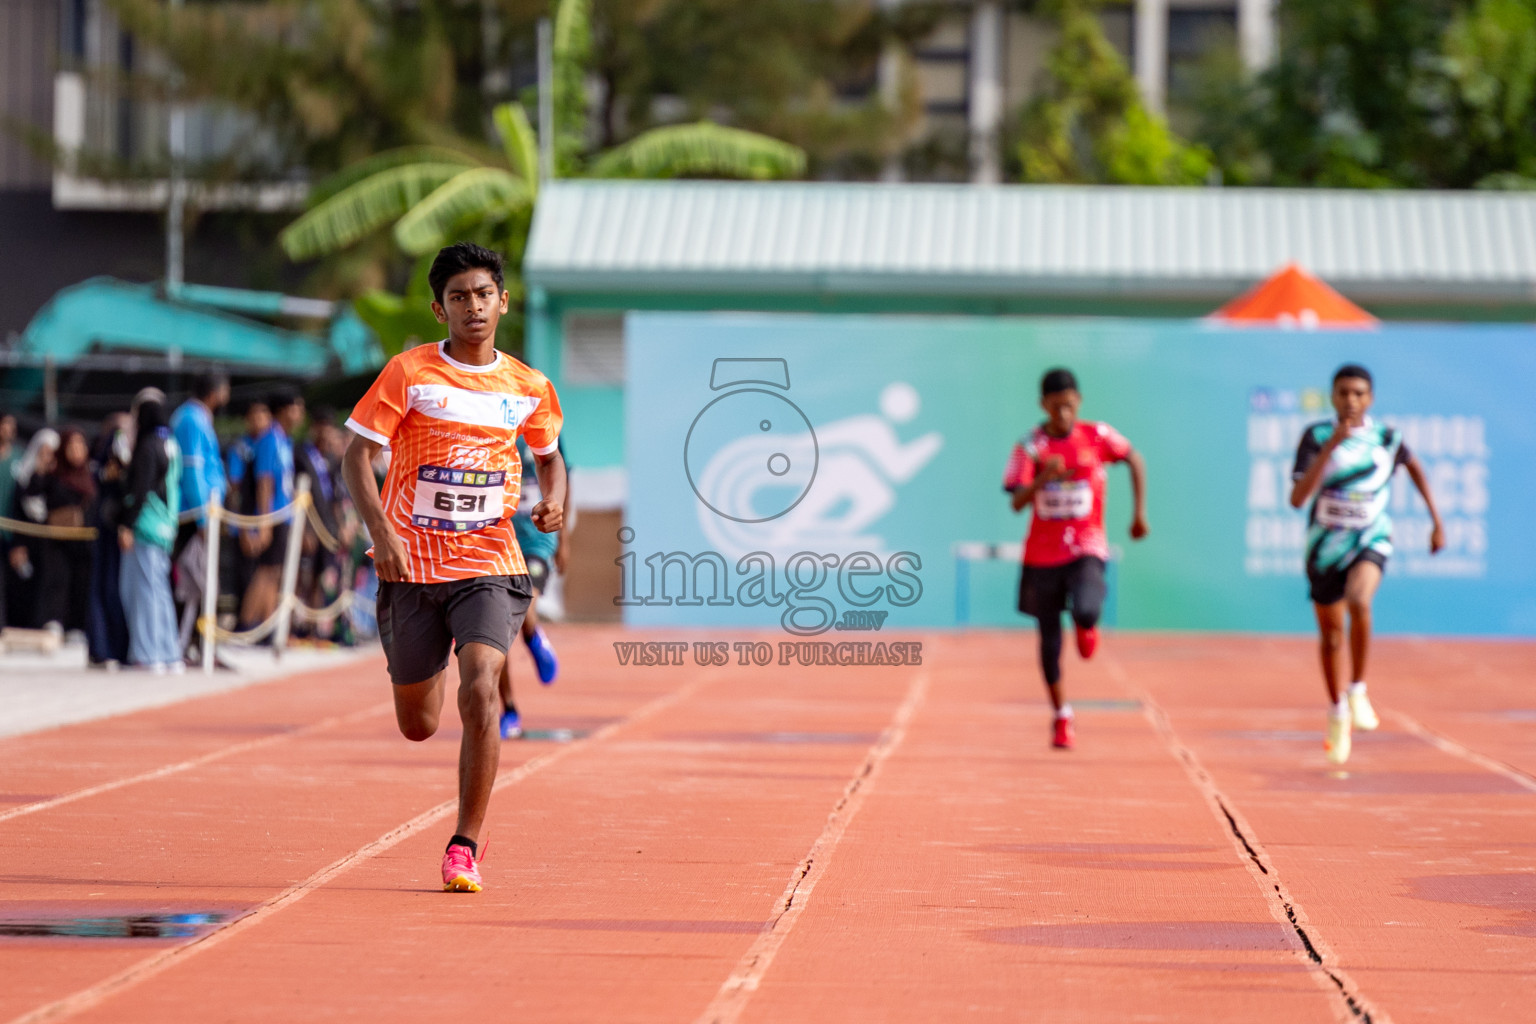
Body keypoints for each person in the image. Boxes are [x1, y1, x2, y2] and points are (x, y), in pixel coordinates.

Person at [341, 241, 566, 893]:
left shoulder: (528, 386)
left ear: (503, 301)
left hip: (490, 560)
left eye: (484, 294)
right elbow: (357, 456)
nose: (474, 306)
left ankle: (464, 843)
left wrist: (553, 502)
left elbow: (549, 456)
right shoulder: (409, 374)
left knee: (481, 688)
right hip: (411, 567)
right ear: (440, 309)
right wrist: (381, 532)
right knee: (419, 724)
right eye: (459, 297)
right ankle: (424, 669)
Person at [1289, 364, 1445, 765]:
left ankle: (1358, 689)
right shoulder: (1316, 437)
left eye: (1358, 393)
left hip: (1370, 538)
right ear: (1332, 396)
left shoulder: (1387, 438)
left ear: (1370, 398)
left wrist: (1436, 520)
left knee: (1360, 601)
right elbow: (1297, 498)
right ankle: (1337, 711)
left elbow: (1414, 468)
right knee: (1331, 638)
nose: (1350, 400)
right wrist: (1331, 447)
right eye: (1342, 392)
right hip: (1325, 548)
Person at [1004, 368, 1148, 750]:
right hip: (1042, 555)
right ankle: (1061, 715)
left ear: (1078, 402)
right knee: (1049, 641)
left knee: (1085, 608)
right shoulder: (1030, 447)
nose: (1063, 413)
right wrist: (1040, 479)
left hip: (1086, 543)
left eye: (1069, 405)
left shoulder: (1096, 436)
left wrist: (1138, 514)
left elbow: (1134, 459)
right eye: (1055, 407)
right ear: (1043, 406)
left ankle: (1087, 624)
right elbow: (1017, 502)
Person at [497, 436, 568, 739]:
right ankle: (509, 710)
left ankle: (533, 636)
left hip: (537, 540)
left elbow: (562, 474)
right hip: (497, 541)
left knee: (526, 602)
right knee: (495, 634)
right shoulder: (482, 422)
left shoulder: (539, 424)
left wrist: (564, 539)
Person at [119, 390, 184, 671]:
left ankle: (147, 653)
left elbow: (141, 488)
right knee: (161, 592)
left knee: (143, 592)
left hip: (145, 526)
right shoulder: (171, 443)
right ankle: (169, 652)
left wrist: (127, 524)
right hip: (166, 526)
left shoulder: (147, 445)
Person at [170, 370, 230, 660]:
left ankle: (197, 643)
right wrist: (202, 517)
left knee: (201, 581)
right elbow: (192, 468)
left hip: (203, 510)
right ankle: (190, 644)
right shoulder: (192, 418)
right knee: (195, 580)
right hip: (193, 514)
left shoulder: (198, 416)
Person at [241, 390, 303, 632]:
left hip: (284, 514)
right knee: (265, 571)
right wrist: (264, 522)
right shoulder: (269, 439)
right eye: (297, 408)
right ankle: (247, 625)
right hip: (273, 515)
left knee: (275, 571)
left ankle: (265, 626)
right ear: (284, 410)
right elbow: (264, 481)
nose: (300, 415)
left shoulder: (284, 440)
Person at [36, 429, 96, 635]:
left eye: (80, 445)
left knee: (81, 583)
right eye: (72, 446)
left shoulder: (91, 476)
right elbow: (33, 496)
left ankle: (77, 626)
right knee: (58, 580)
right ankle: (54, 620)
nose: (77, 450)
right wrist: (41, 469)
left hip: (83, 543)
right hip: (58, 541)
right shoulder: (54, 475)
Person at [86, 414, 133, 667]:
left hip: (110, 523)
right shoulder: (116, 444)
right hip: (113, 526)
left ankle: (105, 647)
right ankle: (109, 647)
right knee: (111, 587)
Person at [8, 429, 60, 629]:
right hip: (28, 542)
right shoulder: (25, 477)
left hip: (53, 544)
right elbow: (19, 510)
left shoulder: (57, 480)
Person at [226, 401, 271, 628]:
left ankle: (258, 624)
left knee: (261, 574)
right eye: (255, 415)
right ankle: (243, 626)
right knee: (244, 577)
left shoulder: (268, 445)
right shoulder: (241, 448)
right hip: (244, 522)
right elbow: (234, 489)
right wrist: (243, 527)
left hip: (262, 523)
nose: (260, 420)